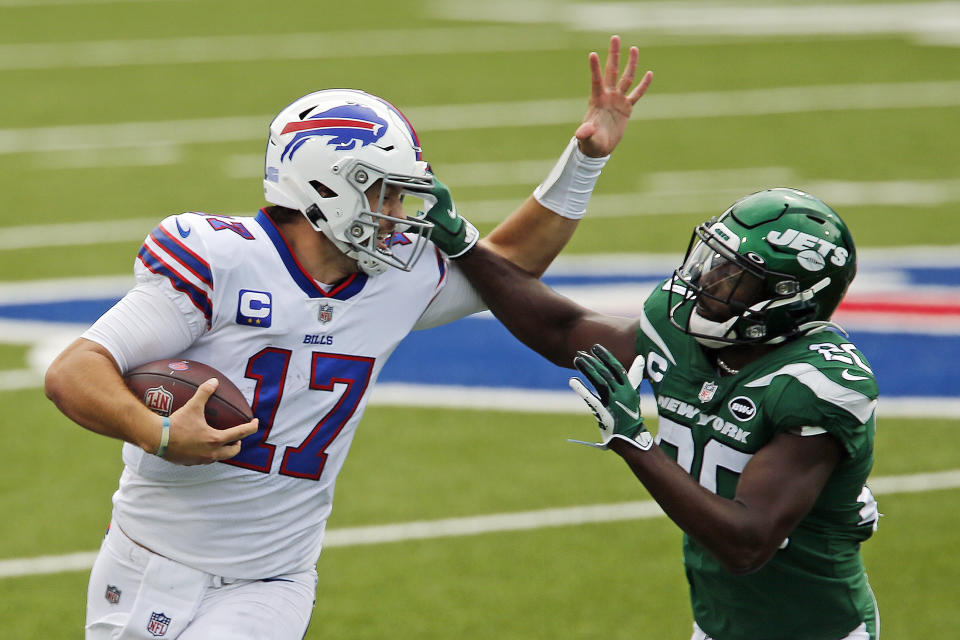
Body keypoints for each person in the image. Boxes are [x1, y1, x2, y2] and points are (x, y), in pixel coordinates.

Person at [43, 36, 652, 640]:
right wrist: (160, 432)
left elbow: (510, 263)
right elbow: (75, 370)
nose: (399, 209)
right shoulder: (219, 260)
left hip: (273, 581)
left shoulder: (397, 278)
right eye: (382, 189)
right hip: (149, 560)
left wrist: (586, 158)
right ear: (323, 186)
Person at [434, 188, 880, 639]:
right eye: (714, 259)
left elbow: (747, 544)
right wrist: (465, 245)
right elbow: (562, 329)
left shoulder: (816, 387)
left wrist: (636, 444)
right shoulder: (679, 329)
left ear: (789, 299)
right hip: (715, 623)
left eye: (735, 277)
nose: (707, 281)